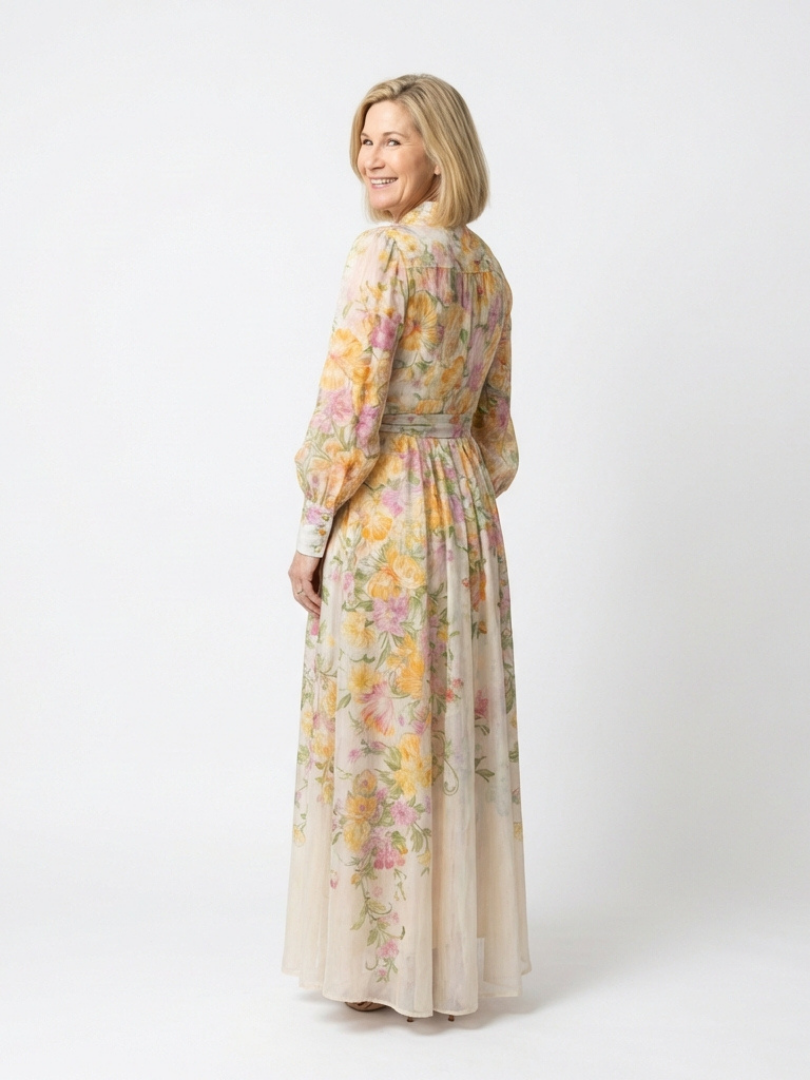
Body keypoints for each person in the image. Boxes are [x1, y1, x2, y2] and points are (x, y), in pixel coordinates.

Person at [283, 74, 530, 1021]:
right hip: (462, 517)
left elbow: (348, 409)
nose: (372, 158)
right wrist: (455, 496)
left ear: (440, 154)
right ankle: (435, 955)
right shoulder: (487, 270)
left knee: (383, 731)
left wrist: (314, 529)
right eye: (366, 140)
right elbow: (497, 438)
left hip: (386, 512)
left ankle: (375, 961)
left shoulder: (383, 255)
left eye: (394, 140)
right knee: (443, 729)